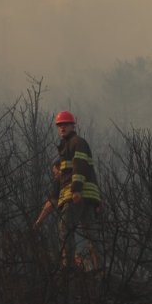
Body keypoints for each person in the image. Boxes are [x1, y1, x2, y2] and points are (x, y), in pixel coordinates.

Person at [33, 110, 102, 270]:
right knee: (91, 233)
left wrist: (76, 190)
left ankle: (68, 267)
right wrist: (39, 221)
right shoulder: (63, 173)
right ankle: (98, 269)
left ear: (72, 126)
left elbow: (80, 166)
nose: (62, 127)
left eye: (65, 124)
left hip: (77, 196)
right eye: (59, 125)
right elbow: (52, 201)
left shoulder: (77, 143)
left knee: (65, 228)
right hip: (86, 198)